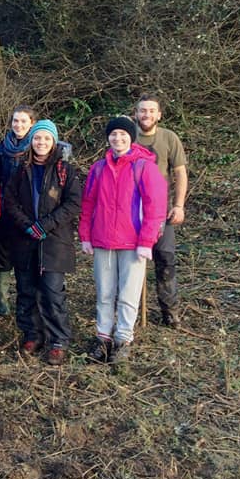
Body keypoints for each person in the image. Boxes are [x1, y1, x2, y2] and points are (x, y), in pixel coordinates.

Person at [79, 116, 167, 364]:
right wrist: (86, 235)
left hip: (133, 243)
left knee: (128, 295)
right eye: (113, 134)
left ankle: (123, 340)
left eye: (123, 134)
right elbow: (88, 204)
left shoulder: (144, 166)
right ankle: (103, 338)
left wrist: (146, 241)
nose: (118, 139)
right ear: (108, 138)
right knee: (105, 293)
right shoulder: (99, 168)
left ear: (131, 136)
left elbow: (155, 207)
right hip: (102, 240)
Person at [3, 120, 81, 365]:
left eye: (46, 138)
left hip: (54, 241)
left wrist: (46, 224)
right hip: (25, 240)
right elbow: (10, 201)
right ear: (31, 141)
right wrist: (27, 224)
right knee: (26, 289)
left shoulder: (65, 171)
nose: (41, 143)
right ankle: (32, 334)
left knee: (52, 291)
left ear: (54, 141)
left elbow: (74, 203)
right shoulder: (21, 169)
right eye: (37, 138)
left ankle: (58, 340)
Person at [135, 93, 189, 327]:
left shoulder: (169, 138)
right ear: (135, 113)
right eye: (142, 110)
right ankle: (131, 308)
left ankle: (170, 309)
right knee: (132, 261)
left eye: (151, 111)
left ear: (159, 114)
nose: (146, 114)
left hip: (161, 213)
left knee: (165, 258)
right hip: (132, 212)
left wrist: (178, 205)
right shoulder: (127, 136)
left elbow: (180, 173)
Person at [0, 105, 37, 316]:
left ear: (32, 124)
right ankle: (2, 301)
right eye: (16, 121)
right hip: (3, 210)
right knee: (2, 255)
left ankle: (25, 301)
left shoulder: (38, 146)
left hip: (27, 212)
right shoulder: (2, 148)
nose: (19, 125)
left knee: (25, 258)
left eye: (24, 121)